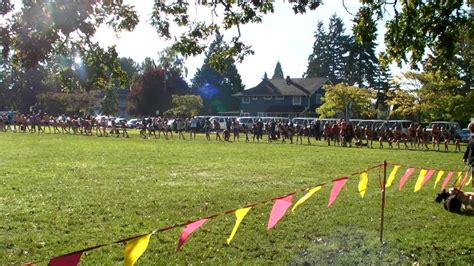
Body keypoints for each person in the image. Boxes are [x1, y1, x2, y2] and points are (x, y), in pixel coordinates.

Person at [462, 122, 474, 187]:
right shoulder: (470, 137)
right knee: (473, 173)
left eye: (470, 129)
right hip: (471, 159)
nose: (470, 130)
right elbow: (468, 148)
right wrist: (465, 157)